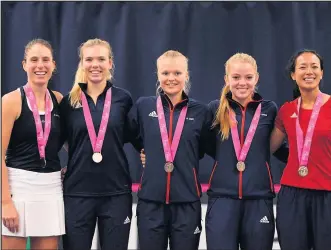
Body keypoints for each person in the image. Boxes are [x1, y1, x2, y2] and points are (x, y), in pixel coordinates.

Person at [128, 50, 212, 250]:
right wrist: (146, 150)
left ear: (187, 75)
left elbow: (203, 148)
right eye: (165, 73)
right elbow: (129, 134)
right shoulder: (143, 106)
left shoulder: (201, 112)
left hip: (187, 202)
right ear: (158, 75)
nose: (171, 78)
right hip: (150, 202)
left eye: (177, 73)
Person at [59, 38, 138, 250]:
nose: (95, 64)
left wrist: (146, 153)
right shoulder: (69, 102)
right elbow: (58, 141)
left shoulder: (123, 99)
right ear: (82, 63)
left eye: (101, 59)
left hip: (116, 193)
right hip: (77, 194)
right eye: (89, 59)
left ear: (110, 62)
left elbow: (137, 136)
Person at [205, 53, 285, 250]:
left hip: (259, 199)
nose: (242, 83)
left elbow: (276, 148)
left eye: (248, 77)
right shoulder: (214, 109)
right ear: (226, 79)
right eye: (236, 77)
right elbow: (198, 147)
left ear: (257, 78)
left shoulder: (269, 109)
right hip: (222, 200)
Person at [1, 38, 65, 250]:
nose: (40, 65)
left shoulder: (59, 100)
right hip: (18, 189)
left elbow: (74, 143)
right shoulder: (10, 101)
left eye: (46, 60)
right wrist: (5, 202)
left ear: (53, 65)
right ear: (24, 64)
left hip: (51, 188)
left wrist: (73, 167)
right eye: (34, 60)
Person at [271, 49, 331, 250]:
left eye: (314, 67)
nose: (309, 72)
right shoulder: (287, 110)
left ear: (322, 73)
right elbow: (270, 147)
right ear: (293, 74)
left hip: (327, 194)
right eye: (302, 67)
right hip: (292, 195)